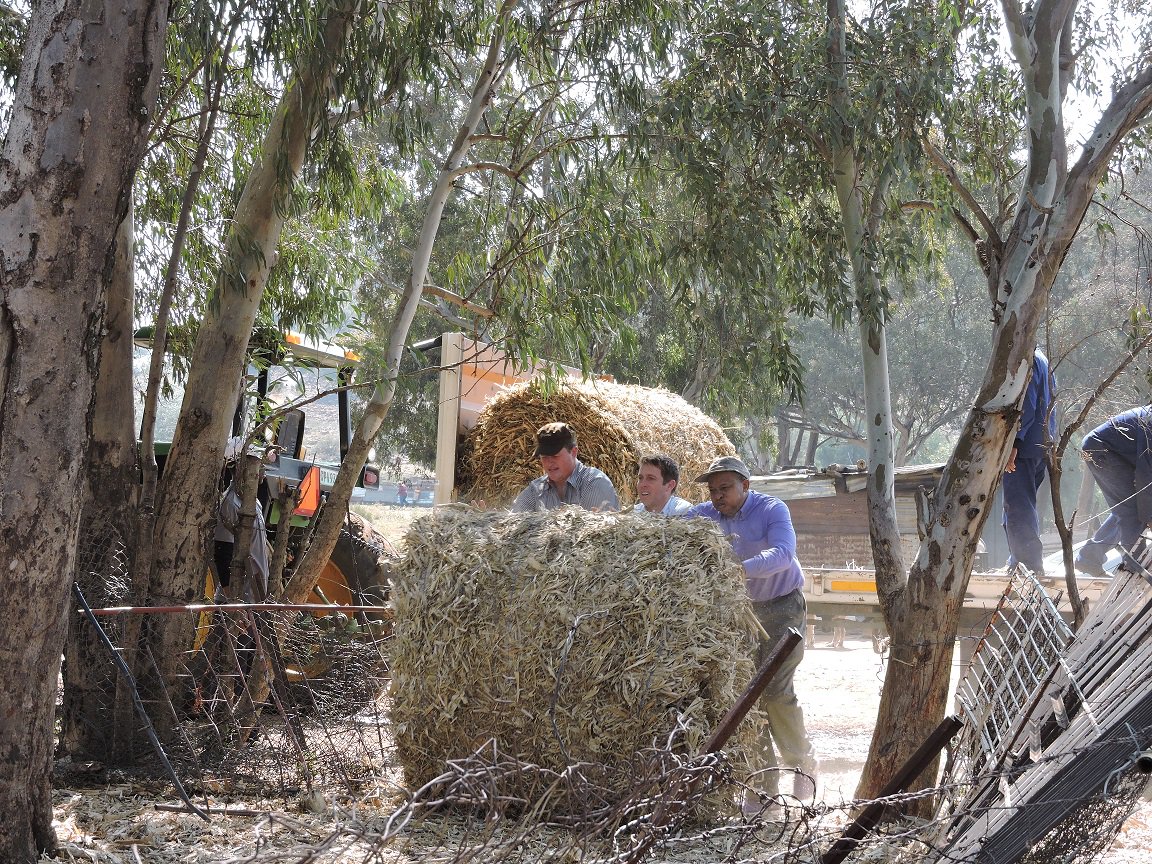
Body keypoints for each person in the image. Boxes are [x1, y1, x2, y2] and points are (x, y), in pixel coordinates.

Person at [687, 455, 817, 817]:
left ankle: (801, 763)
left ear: (746, 485)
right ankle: (764, 788)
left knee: (774, 692)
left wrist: (736, 569)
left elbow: (783, 555)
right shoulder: (704, 516)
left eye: (725, 488)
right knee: (746, 699)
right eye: (713, 490)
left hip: (782, 608)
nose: (718, 496)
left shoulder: (772, 510)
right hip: (740, 613)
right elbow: (669, 526)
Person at [1075, 405, 1152, 574]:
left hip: (1104, 448)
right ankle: (1135, 569)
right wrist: (1149, 517)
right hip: (1102, 449)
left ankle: (1089, 557)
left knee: (1128, 508)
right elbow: (1147, 476)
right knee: (1133, 511)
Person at [1001, 347, 1056, 576]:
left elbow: (1028, 405)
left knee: (1018, 505)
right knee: (1025, 504)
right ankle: (1018, 558)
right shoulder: (1043, 359)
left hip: (1025, 448)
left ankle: (1028, 564)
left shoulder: (1028, 358)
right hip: (1041, 445)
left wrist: (1015, 443)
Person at [510, 422, 619, 512]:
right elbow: (513, 524)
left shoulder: (594, 483)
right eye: (544, 456)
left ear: (573, 452)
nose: (549, 462)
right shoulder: (536, 490)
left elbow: (596, 533)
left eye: (554, 455)